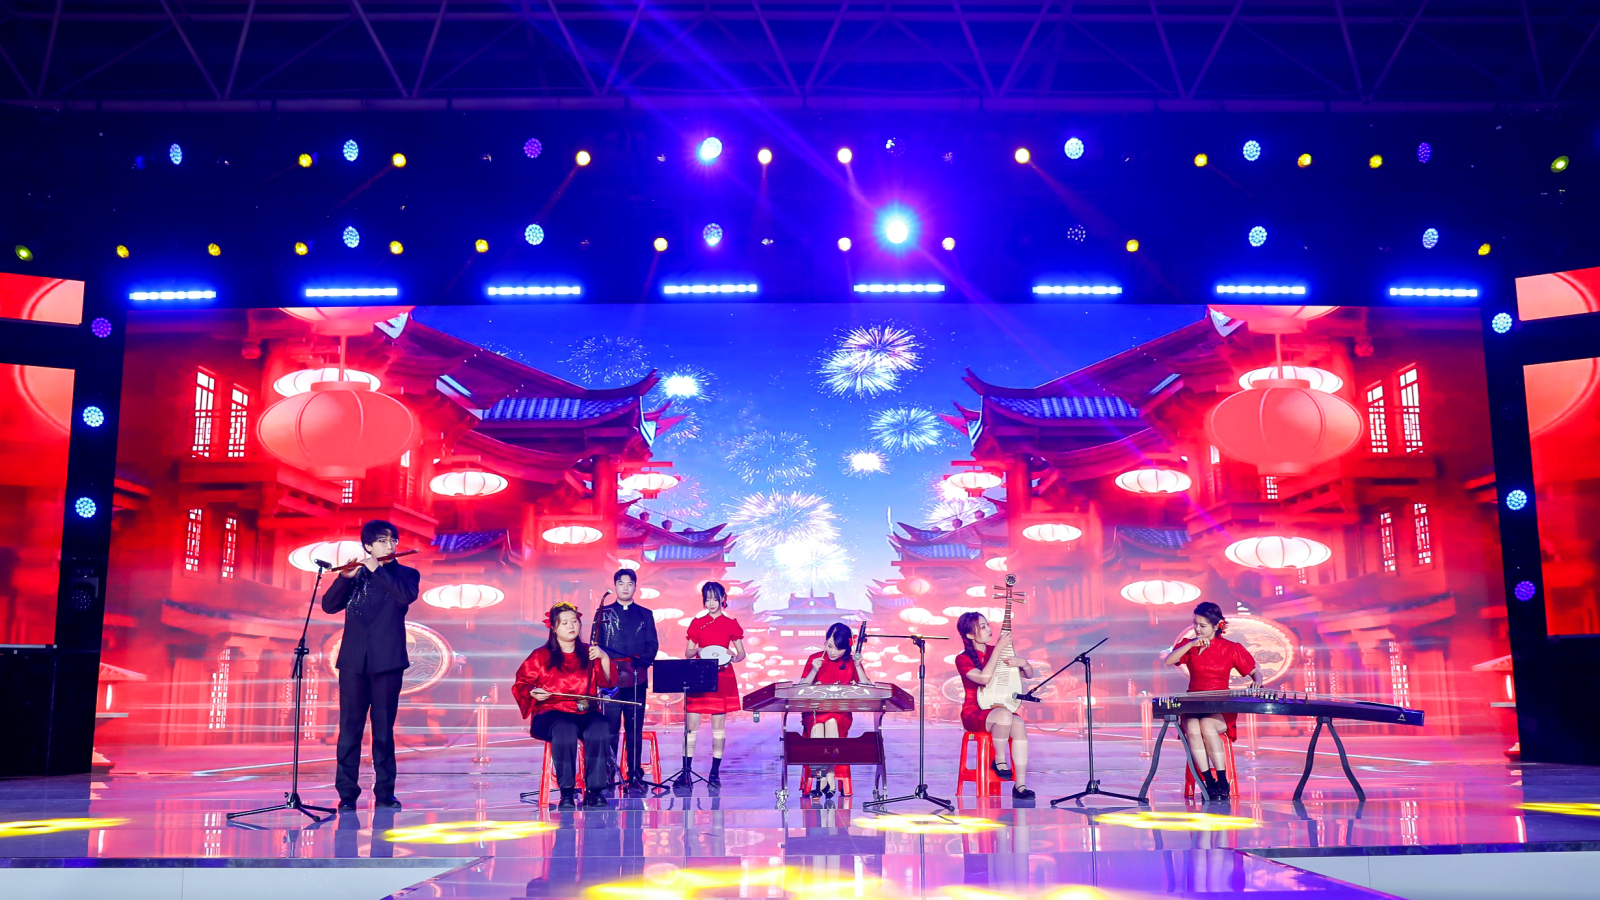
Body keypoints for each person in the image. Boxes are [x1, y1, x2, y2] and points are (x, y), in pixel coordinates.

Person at [321, 519, 421, 812]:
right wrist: (344, 578)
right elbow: (329, 606)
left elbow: (405, 596)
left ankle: (385, 793)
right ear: (367, 545)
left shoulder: (407, 574)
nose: (390, 546)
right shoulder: (355, 574)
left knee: (383, 731)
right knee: (349, 730)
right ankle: (347, 794)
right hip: (353, 662)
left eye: (393, 541)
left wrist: (377, 570)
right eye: (382, 541)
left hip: (388, 662)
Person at [513, 602, 617, 809]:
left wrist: (604, 657)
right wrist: (533, 693)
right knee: (564, 729)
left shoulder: (589, 652)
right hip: (551, 712)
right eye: (564, 623)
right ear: (553, 628)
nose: (571, 626)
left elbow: (607, 682)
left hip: (585, 710)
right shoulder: (540, 656)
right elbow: (522, 684)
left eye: (574, 621)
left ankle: (595, 790)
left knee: (600, 727)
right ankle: (566, 791)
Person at [1164, 600, 1260, 799]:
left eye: (1203, 625)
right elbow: (1169, 660)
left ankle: (1222, 781)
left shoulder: (1230, 648)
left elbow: (1254, 671)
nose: (1197, 629)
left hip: (1219, 706)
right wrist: (1191, 644)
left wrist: (1257, 681)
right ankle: (1209, 782)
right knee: (1192, 728)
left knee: (1207, 726)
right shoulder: (1189, 645)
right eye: (1195, 624)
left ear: (1217, 626)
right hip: (1194, 704)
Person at [955, 611, 1036, 801]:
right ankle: (999, 759)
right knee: (1005, 715)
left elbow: (1028, 675)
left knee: (1018, 724)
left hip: (999, 709)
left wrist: (1024, 663)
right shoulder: (963, 659)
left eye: (988, 625)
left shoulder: (997, 650)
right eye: (982, 627)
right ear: (970, 635)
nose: (989, 629)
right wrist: (998, 649)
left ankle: (1020, 785)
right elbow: (984, 678)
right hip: (975, 712)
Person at [595, 567, 659, 791]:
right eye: (621, 583)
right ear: (615, 586)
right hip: (610, 679)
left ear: (635, 587)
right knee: (610, 729)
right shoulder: (603, 613)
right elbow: (597, 645)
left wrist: (641, 664)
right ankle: (608, 774)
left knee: (634, 729)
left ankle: (634, 774)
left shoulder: (645, 614)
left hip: (636, 678)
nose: (625, 587)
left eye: (629, 583)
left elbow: (652, 645)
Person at [677, 581, 745, 787]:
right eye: (708, 599)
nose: (711, 603)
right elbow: (688, 652)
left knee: (718, 727)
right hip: (699, 675)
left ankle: (714, 773)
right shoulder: (698, 623)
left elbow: (742, 654)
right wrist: (698, 651)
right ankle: (686, 773)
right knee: (691, 726)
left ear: (723, 599)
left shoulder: (731, 624)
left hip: (722, 676)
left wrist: (734, 656)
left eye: (715, 599)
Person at [797, 621, 871, 798]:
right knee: (818, 726)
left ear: (847, 647)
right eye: (829, 646)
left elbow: (867, 687)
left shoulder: (851, 662)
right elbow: (800, 688)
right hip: (815, 712)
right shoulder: (815, 659)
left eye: (838, 649)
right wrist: (813, 671)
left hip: (840, 713)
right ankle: (825, 779)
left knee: (831, 722)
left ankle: (826, 778)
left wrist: (858, 665)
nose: (832, 652)